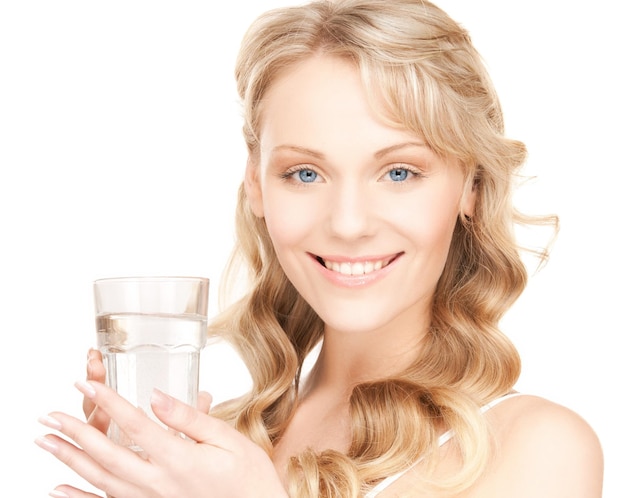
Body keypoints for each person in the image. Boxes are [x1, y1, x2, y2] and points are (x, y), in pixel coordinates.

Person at [36, 0, 604, 496]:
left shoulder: (536, 448)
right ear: (256, 184)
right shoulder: (218, 457)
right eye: (305, 174)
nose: (349, 223)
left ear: (472, 187)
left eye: (399, 172)